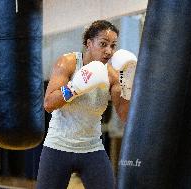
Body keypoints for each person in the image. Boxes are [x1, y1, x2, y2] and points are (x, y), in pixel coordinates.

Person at [36, 20, 137, 189]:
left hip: (92, 149)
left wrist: (127, 85)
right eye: (103, 44)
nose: (108, 51)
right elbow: (48, 104)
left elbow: (125, 116)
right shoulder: (68, 63)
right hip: (58, 147)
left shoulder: (112, 75)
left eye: (113, 46)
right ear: (89, 43)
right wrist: (75, 87)